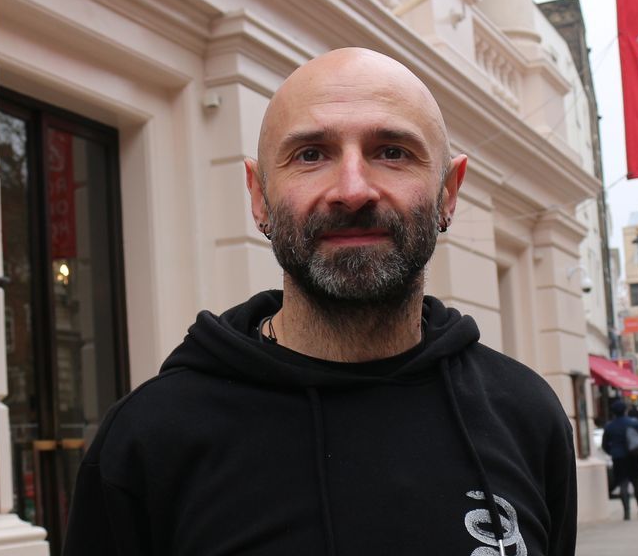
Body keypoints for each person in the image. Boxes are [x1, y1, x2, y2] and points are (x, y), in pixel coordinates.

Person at [62, 49, 577, 555]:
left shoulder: (526, 415)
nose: (352, 191)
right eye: (311, 154)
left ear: (448, 192)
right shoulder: (149, 441)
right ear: (259, 197)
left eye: (392, 151)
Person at [601, 400, 638, 520]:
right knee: (637, 483)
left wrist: (612, 452)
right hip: (635, 456)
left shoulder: (609, 426)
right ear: (625, 410)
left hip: (618, 458)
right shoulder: (634, 422)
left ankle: (626, 512)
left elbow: (605, 445)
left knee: (623, 484)